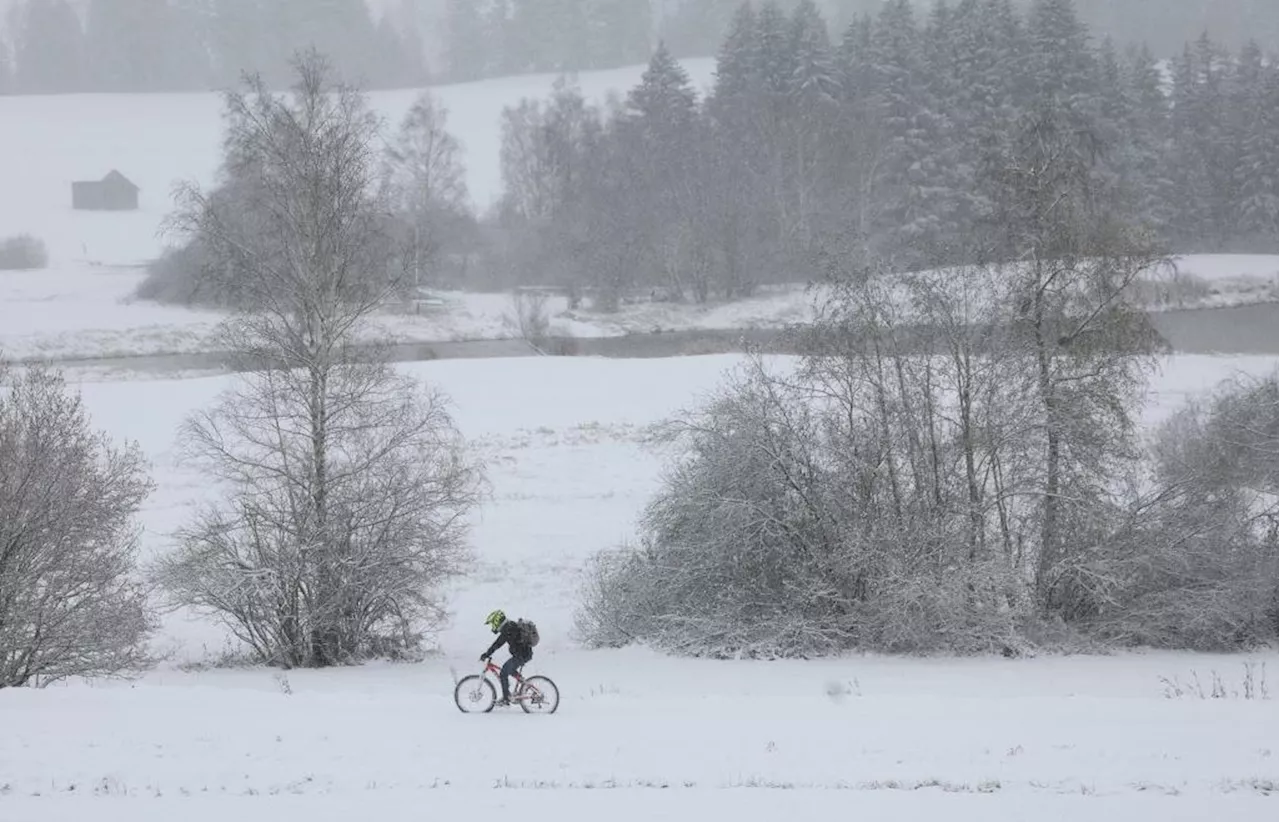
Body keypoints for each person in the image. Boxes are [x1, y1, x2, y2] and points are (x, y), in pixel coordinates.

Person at [480, 609, 533, 707]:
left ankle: (506, 698)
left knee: (503, 673)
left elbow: (498, 643)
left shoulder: (508, 628)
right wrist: (488, 653)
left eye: (493, 624)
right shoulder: (509, 626)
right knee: (510, 670)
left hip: (521, 655)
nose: (493, 627)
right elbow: (498, 643)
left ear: (497, 621)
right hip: (523, 654)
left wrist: (487, 654)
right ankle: (522, 685)